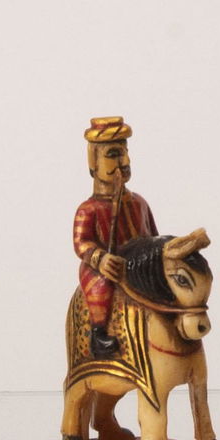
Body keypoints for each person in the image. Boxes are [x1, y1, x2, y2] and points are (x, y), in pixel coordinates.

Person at [72, 116, 158, 359]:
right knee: (102, 283)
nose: (125, 162)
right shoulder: (88, 209)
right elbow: (81, 243)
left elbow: (153, 235)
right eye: (114, 155)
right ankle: (98, 333)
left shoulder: (139, 203)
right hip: (107, 267)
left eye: (125, 153)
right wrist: (100, 259)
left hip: (139, 267)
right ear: (93, 162)